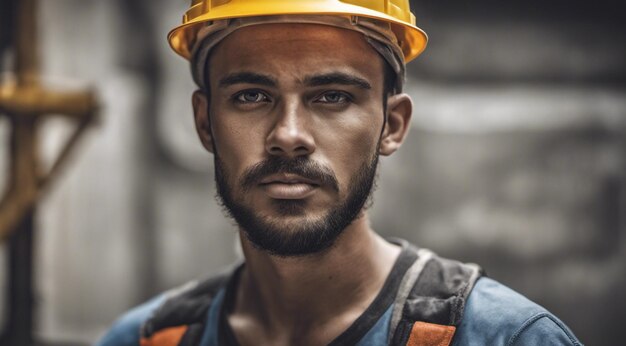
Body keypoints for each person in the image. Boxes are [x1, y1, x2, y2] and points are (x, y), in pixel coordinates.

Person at [98, 1, 582, 345]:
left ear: (391, 126)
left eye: (332, 96)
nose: (288, 135)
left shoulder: (505, 337)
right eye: (251, 95)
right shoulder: (145, 339)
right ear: (205, 122)